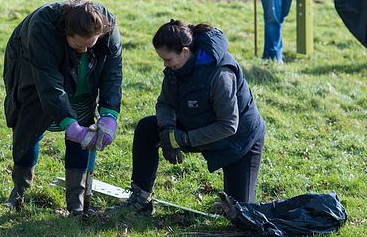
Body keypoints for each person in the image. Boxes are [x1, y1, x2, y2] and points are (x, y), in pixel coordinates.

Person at [111, 20, 266, 215]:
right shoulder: (175, 69)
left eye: (168, 59)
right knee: (146, 128)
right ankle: (141, 199)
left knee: (240, 214)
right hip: (198, 123)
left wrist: (183, 139)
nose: (165, 65)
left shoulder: (220, 74)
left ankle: (236, 205)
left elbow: (228, 125)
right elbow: (165, 103)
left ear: (185, 51)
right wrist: (167, 130)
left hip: (240, 141)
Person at [2, 0, 122, 216]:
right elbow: (48, 82)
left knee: (83, 132)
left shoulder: (107, 28)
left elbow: (112, 74)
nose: (85, 50)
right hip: (32, 70)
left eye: (90, 45)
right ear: (65, 33)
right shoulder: (42, 28)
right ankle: (19, 192)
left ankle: (76, 202)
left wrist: (109, 114)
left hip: (84, 78)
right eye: (79, 45)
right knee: (29, 126)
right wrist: (68, 122)